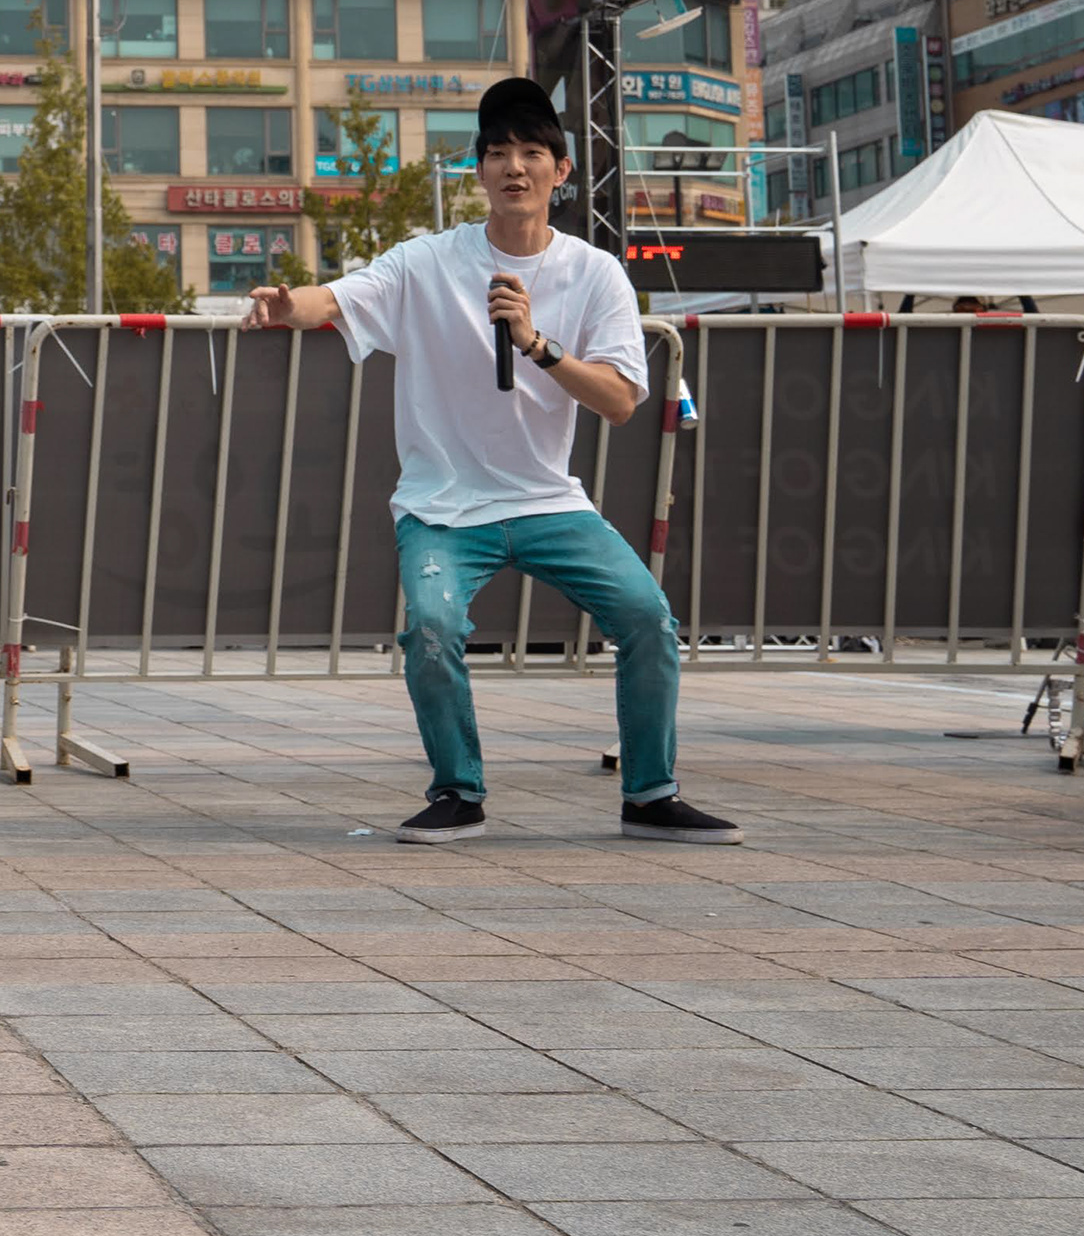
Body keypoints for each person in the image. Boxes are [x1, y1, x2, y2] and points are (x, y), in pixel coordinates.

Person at [244, 75, 738, 843]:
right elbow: (336, 299)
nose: (515, 167)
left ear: (560, 170)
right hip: (443, 504)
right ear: (478, 170)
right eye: (499, 152)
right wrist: (289, 306)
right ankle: (457, 790)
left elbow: (618, 401)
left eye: (532, 153)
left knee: (647, 615)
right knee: (432, 625)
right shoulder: (425, 262)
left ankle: (651, 794)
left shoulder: (596, 272)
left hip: (548, 501)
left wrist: (537, 345)